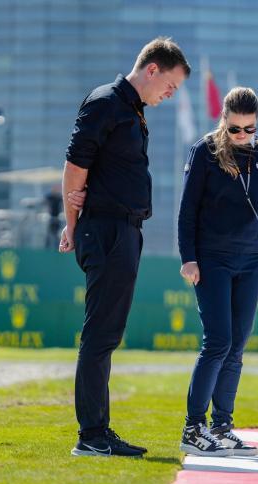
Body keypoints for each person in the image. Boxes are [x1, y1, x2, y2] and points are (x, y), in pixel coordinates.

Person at [60, 37, 190, 457]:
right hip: (108, 230)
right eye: (169, 86)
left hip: (123, 230)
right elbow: (75, 165)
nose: (170, 95)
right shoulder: (106, 102)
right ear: (152, 69)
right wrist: (72, 223)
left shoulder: (133, 111)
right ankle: (92, 435)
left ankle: (98, 431)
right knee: (99, 335)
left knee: (108, 334)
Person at [178, 87, 258, 457]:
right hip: (212, 258)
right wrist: (188, 257)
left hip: (252, 261)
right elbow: (187, 209)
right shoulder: (205, 151)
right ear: (223, 119)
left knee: (237, 345)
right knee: (218, 341)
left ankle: (222, 426)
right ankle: (193, 428)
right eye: (234, 129)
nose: (241, 136)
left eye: (248, 129)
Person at [45, 185, 63, 250]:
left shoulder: (58, 197)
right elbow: (45, 200)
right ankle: (47, 247)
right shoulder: (50, 197)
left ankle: (57, 248)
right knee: (49, 235)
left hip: (57, 219)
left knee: (56, 234)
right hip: (50, 218)